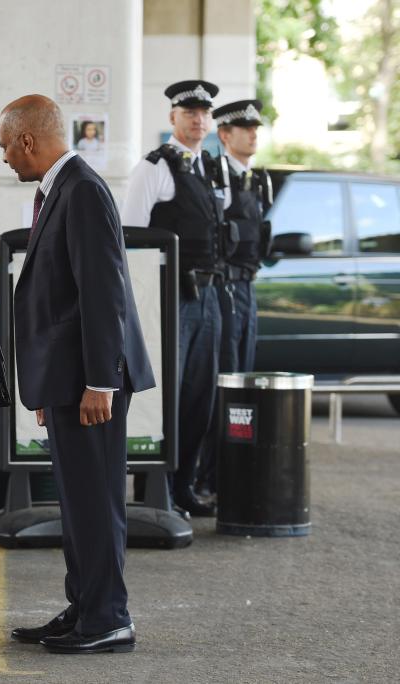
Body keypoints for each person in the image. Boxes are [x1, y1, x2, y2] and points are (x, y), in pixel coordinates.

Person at [0, 95, 154, 654]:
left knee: (95, 502)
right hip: (68, 380)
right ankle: (85, 606)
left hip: (92, 382)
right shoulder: (61, 189)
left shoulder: (83, 190)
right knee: (77, 502)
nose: (5, 160)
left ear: (28, 141)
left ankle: (109, 618)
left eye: (5, 147)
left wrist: (100, 381)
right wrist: (50, 384)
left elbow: (103, 291)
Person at [120, 80, 227, 518]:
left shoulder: (207, 168)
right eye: (189, 112)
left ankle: (183, 487)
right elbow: (129, 237)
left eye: (204, 113)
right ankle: (154, 492)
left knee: (201, 393)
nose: (198, 120)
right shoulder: (154, 167)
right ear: (173, 118)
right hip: (171, 300)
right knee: (169, 395)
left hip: (207, 295)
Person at [196, 99, 273, 495]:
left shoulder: (257, 180)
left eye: (256, 129)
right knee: (222, 380)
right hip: (224, 287)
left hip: (247, 286)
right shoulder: (216, 176)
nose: (253, 135)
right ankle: (209, 476)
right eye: (245, 129)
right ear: (225, 134)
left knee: (243, 377)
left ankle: (232, 472)